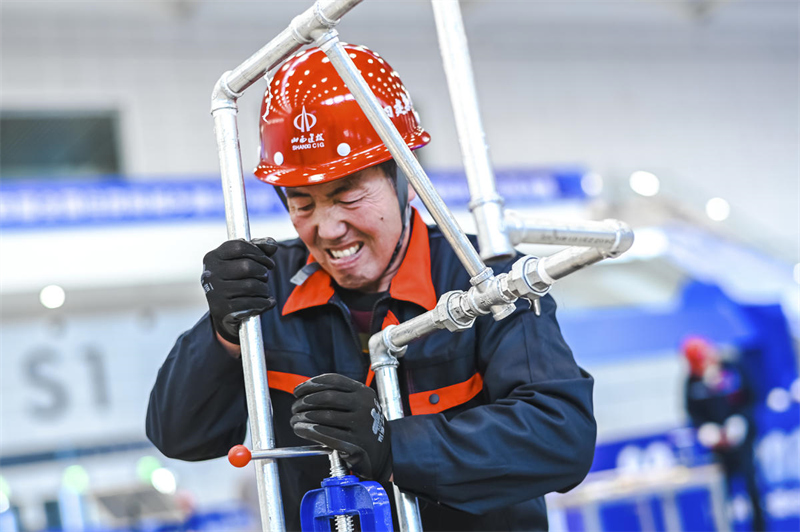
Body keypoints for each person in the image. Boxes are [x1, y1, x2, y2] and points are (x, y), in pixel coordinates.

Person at [146, 44, 596, 531]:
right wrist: (222, 333)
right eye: (302, 204)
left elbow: (560, 436)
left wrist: (395, 447)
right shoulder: (267, 288)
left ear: (406, 179)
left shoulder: (486, 279)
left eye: (348, 196)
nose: (328, 229)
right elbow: (181, 436)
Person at [683, 336, 765, 532]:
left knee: (752, 486)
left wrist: (741, 420)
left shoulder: (732, 368)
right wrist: (705, 428)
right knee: (721, 491)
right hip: (718, 447)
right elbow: (692, 412)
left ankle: (760, 529)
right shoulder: (692, 381)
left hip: (743, 440)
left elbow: (752, 397)